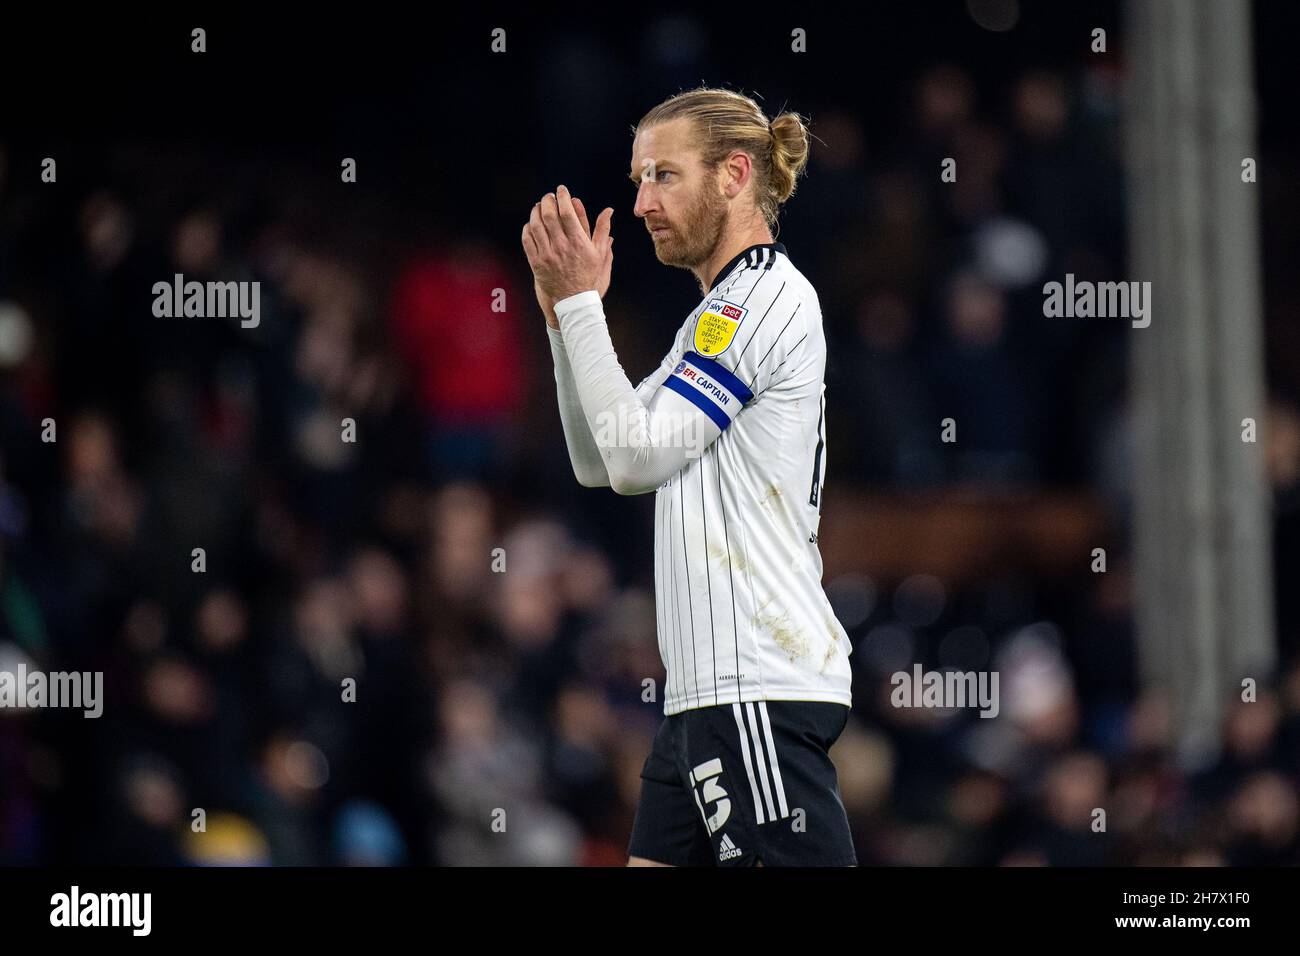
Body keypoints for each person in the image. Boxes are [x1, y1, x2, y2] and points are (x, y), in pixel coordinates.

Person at [521, 87, 855, 867]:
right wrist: (563, 318)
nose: (640, 203)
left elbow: (634, 459)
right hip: (701, 699)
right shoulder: (711, 318)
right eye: (639, 179)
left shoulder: (763, 299)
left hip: (755, 688)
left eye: (663, 175)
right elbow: (601, 460)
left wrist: (581, 310)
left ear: (735, 175)